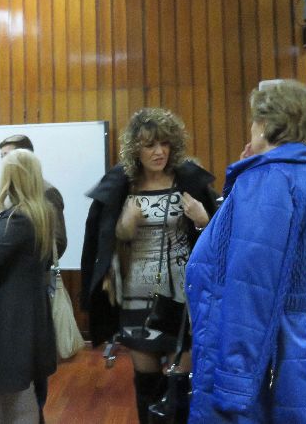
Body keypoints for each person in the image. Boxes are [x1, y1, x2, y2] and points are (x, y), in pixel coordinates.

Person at [186, 80, 306, 423]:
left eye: (254, 120)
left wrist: (234, 379)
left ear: (265, 124)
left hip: (275, 353)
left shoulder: (270, 179)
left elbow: (251, 289)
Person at [81, 107, 218, 423]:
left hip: (183, 296)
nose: (159, 152)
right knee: (147, 385)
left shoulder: (188, 182)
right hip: (137, 296)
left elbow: (219, 237)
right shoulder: (123, 186)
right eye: (149, 145)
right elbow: (104, 241)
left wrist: (203, 220)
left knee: (180, 386)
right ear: (135, 150)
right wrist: (124, 226)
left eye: (164, 143)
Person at [0, 148, 57, 423]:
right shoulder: (41, 213)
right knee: (16, 389)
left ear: (11, 177)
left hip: (10, 318)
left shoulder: (17, 218)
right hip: (26, 313)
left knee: (13, 392)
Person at [0, 133, 67, 423]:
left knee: (33, 357)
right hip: (7, 289)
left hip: (33, 286)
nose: (4, 162)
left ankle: (33, 413)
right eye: (2, 156)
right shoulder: (8, 193)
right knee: (13, 358)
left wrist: (25, 260)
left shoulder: (47, 192)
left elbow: (58, 242)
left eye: (9, 156)